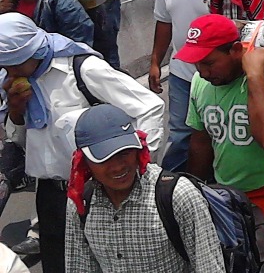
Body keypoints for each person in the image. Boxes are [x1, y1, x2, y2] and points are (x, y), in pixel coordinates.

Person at [0, 14, 163, 273]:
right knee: (59, 264)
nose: (8, 73)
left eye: (12, 66)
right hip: (51, 196)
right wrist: (17, 113)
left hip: (96, 192)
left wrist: (140, 169)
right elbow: (22, 143)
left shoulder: (81, 69)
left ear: (28, 52)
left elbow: (149, 107)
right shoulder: (19, 84)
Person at [182, 15, 264, 273]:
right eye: (197, 64)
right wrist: (194, 194)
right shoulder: (201, 83)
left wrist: (254, 74)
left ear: (235, 50)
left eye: (209, 63)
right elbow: (200, 142)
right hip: (231, 194)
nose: (203, 72)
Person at [65, 104, 225, 273]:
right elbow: (79, 267)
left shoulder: (178, 195)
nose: (118, 167)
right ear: (83, 162)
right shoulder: (81, 203)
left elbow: (209, 267)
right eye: (104, 158)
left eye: (124, 153)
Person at [149, 0, 210, 172]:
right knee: (181, 133)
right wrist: (155, 62)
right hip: (181, 74)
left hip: (217, 76)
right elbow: (164, 23)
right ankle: (170, 187)